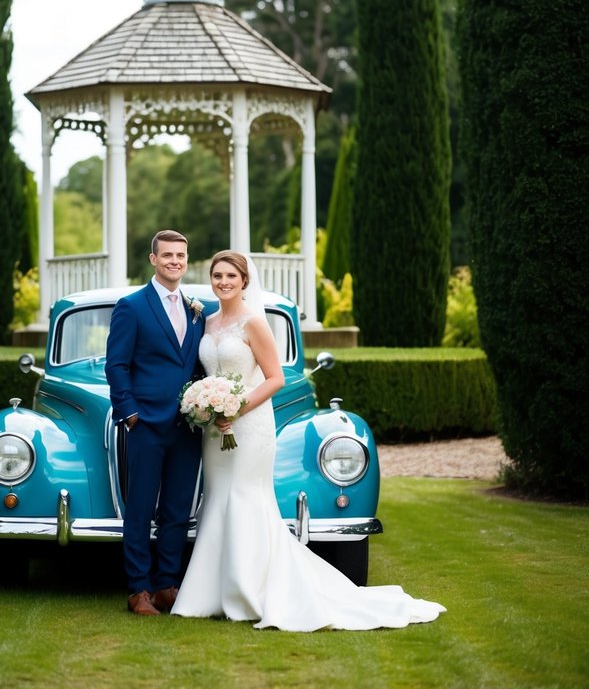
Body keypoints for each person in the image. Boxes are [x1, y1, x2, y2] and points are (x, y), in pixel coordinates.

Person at [172, 251, 446, 631]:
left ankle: (250, 592)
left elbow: (275, 378)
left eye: (231, 276)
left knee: (247, 498)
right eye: (217, 275)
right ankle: (210, 593)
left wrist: (236, 408)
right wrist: (206, 404)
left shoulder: (255, 324)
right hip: (214, 430)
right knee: (218, 498)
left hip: (249, 426)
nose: (223, 282)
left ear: (244, 280)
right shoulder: (210, 322)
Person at [105, 229, 207, 616]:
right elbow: (117, 364)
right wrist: (129, 413)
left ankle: (167, 584)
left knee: (177, 510)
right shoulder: (131, 306)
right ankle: (138, 591)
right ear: (153, 259)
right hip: (145, 423)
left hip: (188, 426)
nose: (175, 261)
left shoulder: (197, 309)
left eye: (180, 255)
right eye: (167, 255)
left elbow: (198, 364)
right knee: (141, 508)